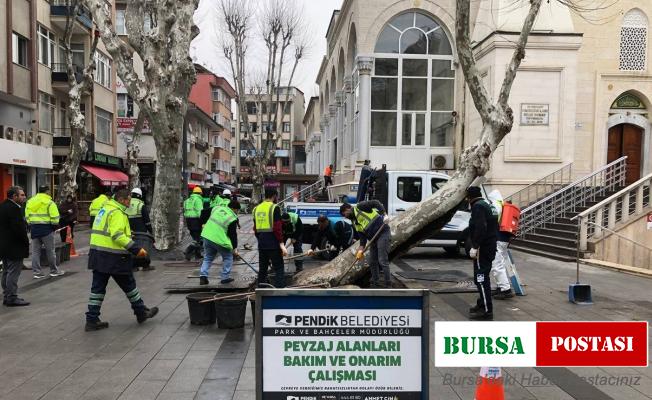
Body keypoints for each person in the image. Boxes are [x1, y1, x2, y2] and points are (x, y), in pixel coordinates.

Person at [85, 189, 158, 331]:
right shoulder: (117, 212)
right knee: (129, 285)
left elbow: (107, 230)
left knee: (97, 289)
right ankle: (141, 312)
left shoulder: (104, 209)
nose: (129, 204)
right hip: (114, 256)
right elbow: (117, 235)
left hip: (97, 254)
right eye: (128, 201)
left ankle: (91, 319)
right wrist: (136, 249)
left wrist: (127, 233)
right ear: (122, 200)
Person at [340, 200, 390, 288]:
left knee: (382, 260)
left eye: (345, 214)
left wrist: (384, 214)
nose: (346, 217)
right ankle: (376, 284)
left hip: (382, 233)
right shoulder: (354, 222)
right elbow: (362, 240)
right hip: (373, 239)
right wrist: (360, 251)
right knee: (372, 262)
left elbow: (376, 203)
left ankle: (388, 285)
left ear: (348, 209)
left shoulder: (360, 207)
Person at [466, 186, 499, 321]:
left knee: (481, 278)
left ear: (470, 198)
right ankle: (482, 304)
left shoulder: (478, 207)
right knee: (482, 276)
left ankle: (487, 310)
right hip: (490, 246)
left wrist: (475, 246)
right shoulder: (488, 204)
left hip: (483, 249)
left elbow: (481, 227)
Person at [25, 185, 64, 279]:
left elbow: (27, 216)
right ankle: (54, 271)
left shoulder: (30, 201)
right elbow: (55, 219)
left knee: (35, 252)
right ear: (47, 191)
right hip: (47, 229)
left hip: (34, 229)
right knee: (50, 251)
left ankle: (37, 272)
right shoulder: (50, 202)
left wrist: (32, 223)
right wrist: (54, 226)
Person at [199, 200, 241, 285]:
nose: (237, 213)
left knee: (208, 257)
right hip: (219, 240)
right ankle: (225, 278)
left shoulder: (217, 208)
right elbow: (233, 235)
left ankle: (203, 276)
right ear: (234, 209)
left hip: (207, 236)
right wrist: (234, 248)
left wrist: (203, 223)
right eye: (237, 210)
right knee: (228, 257)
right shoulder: (232, 218)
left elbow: (203, 212)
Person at [0, 186, 30, 306]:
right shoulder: (14, 209)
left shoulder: (2, 206)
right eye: (21, 195)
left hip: (4, 246)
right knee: (13, 272)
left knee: (6, 271)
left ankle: (7, 296)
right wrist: (25, 241)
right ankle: (11, 297)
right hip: (14, 247)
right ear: (14, 196)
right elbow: (18, 229)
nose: (24, 197)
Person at [253, 189, 287, 288]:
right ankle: (279, 291)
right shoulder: (274, 208)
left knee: (263, 269)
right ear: (274, 196)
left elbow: (255, 228)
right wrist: (281, 243)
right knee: (279, 268)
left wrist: (260, 239)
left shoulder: (256, 208)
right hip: (273, 242)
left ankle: (261, 291)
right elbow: (277, 227)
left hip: (262, 243)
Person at [125, 188, 154, 271]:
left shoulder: (126, 203)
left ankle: (134, 266)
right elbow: (147, 220)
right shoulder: (140, 205)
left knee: (132, 248)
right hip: (141, 232)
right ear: (140, 196)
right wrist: (150, 230)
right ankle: (145, 265)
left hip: (130, 231)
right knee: (143, 248)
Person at [183, 186, 204, 260]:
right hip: (195, 220)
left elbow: (184, 212)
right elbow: (200, 213)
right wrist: (202, 223)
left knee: (195, 237)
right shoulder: (198, 200)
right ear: (199, 193)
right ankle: (188, 250)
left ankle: (197, 254)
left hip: (188, 220)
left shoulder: (187, 200)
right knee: (197, 239)